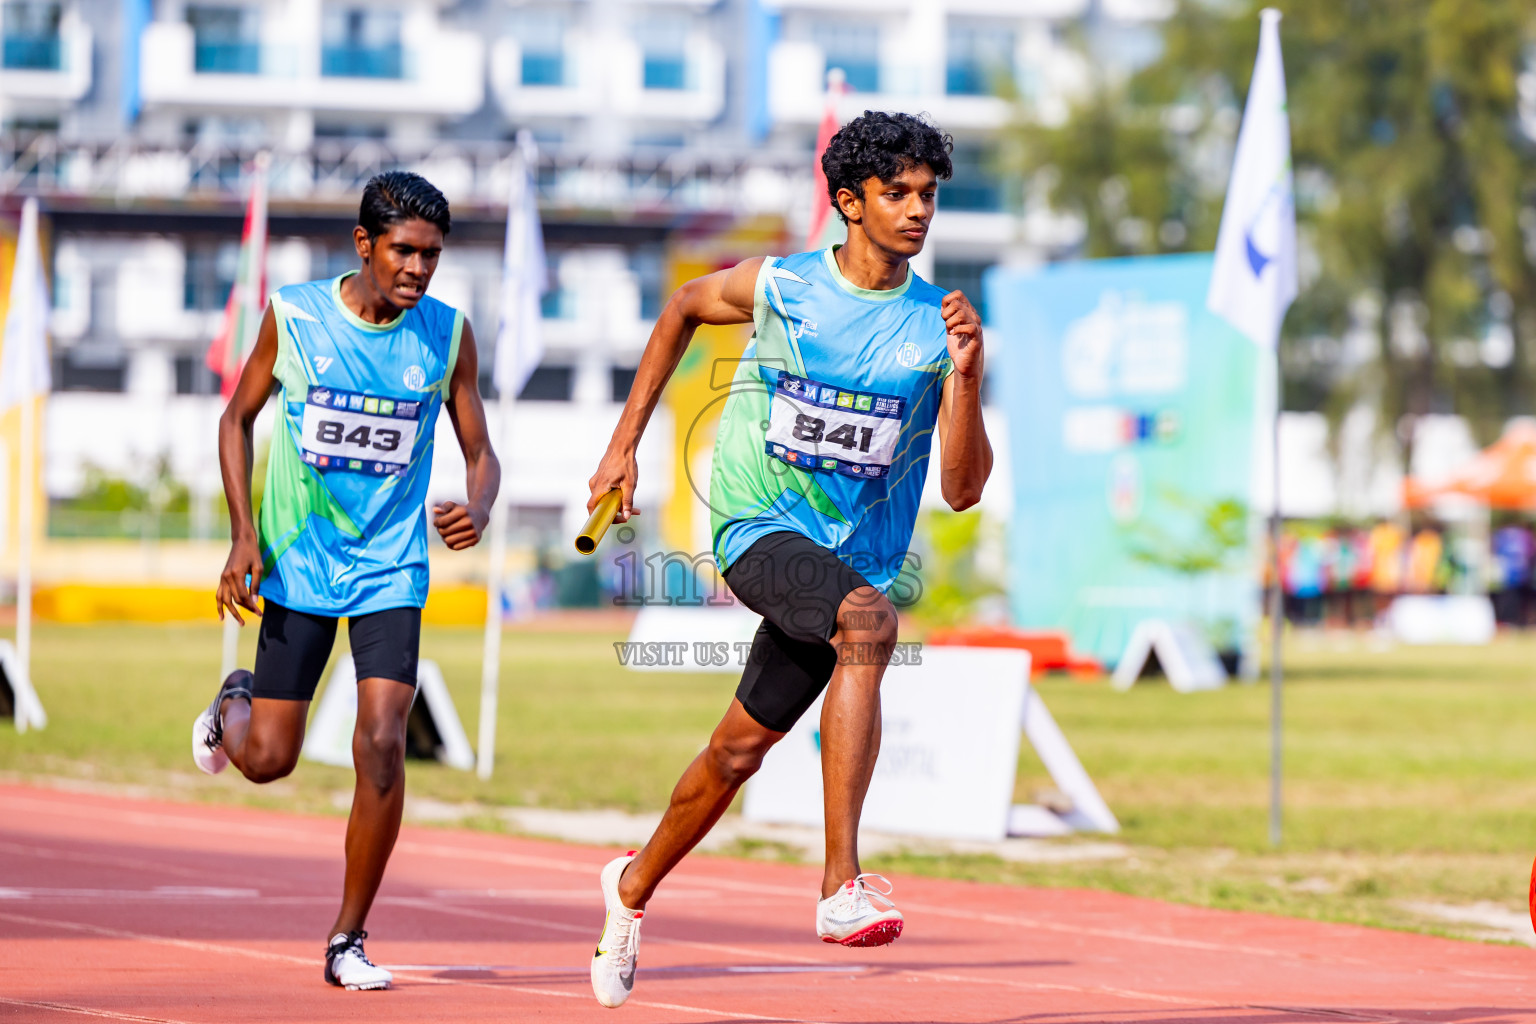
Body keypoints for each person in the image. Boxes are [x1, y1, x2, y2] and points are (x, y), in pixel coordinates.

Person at [582, 111, 992, 1009]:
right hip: (757, 527)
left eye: (929, 195)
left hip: (854, 557)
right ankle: (841, 885)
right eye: (898, 194)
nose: (919, 211)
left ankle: (630, 886)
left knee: (737, 753)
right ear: (848, 203)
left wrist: (965, 376)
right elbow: (686, 304)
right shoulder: (785, 287)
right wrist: (624, 445)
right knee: (871, 622)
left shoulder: (941, 325)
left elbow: (962, 490)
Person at [190, 171, 499, 991]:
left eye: (433, 256)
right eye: (404, 251)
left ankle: (347, 938)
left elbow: (480, 451)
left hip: (392, 568)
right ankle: (234, 703)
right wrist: (244, 535)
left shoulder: (447, 334)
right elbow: (235, 417)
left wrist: (480, 504)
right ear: (365, 244)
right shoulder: (295, 317)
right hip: (297, 561)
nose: (420, 269)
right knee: (269, 762)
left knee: (382, 745)